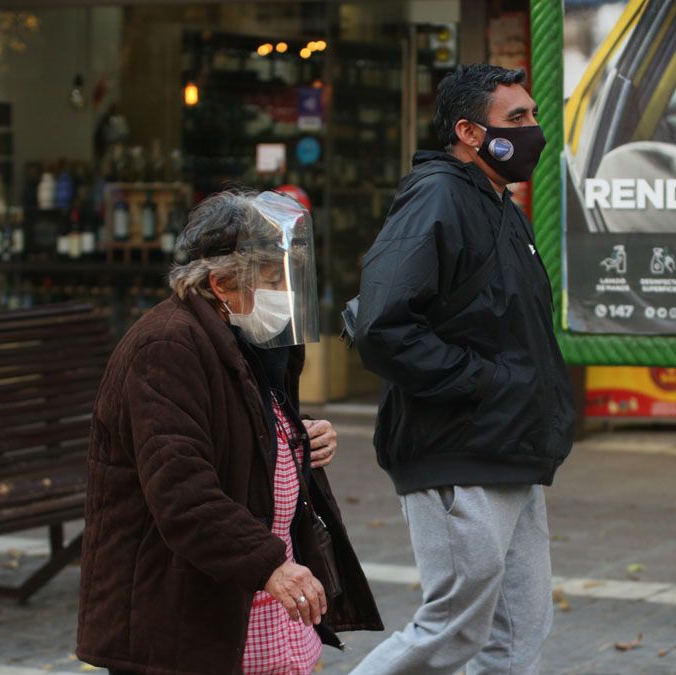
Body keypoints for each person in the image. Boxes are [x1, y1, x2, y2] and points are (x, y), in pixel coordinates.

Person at [77, 189, 381, 675]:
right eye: (272, 277)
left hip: (253, 605)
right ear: (221, 283)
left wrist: (297, 436)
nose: (287, 290)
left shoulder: (250, 340)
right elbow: (182, 491)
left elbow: (238, 430)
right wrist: (269, 565)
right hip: (184, 612)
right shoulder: (165, 348)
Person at [352, 64, 576, 675]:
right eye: (517, 119)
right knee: (451, 632)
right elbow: (383, 326)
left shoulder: (498, 205)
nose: (534, 129)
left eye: (533, 114)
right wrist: (486, 386)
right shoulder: (440, 196)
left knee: (516, 636)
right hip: (459, 449)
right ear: (469, 133)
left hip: (510, 447)